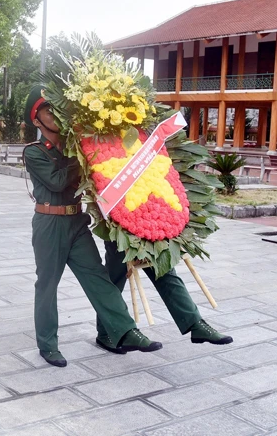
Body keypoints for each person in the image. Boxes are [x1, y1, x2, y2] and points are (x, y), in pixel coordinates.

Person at [23, 85, 162, 367]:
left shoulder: (75, 146)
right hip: (49, 223)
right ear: (36, 120)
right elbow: (58, 181)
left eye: (57, 107)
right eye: (48, 110)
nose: (56, 114)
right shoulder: (35, 152)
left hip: (76, 222)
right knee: (48, 285)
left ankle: (124, 330)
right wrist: (85, 153)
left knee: (98, 278)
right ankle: (48, 344)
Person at [97, 243, 233, 349]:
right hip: (116, 218)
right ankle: (105, 332)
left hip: (148, 218)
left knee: (164, 270)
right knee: (115, 276)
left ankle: (195, 323)